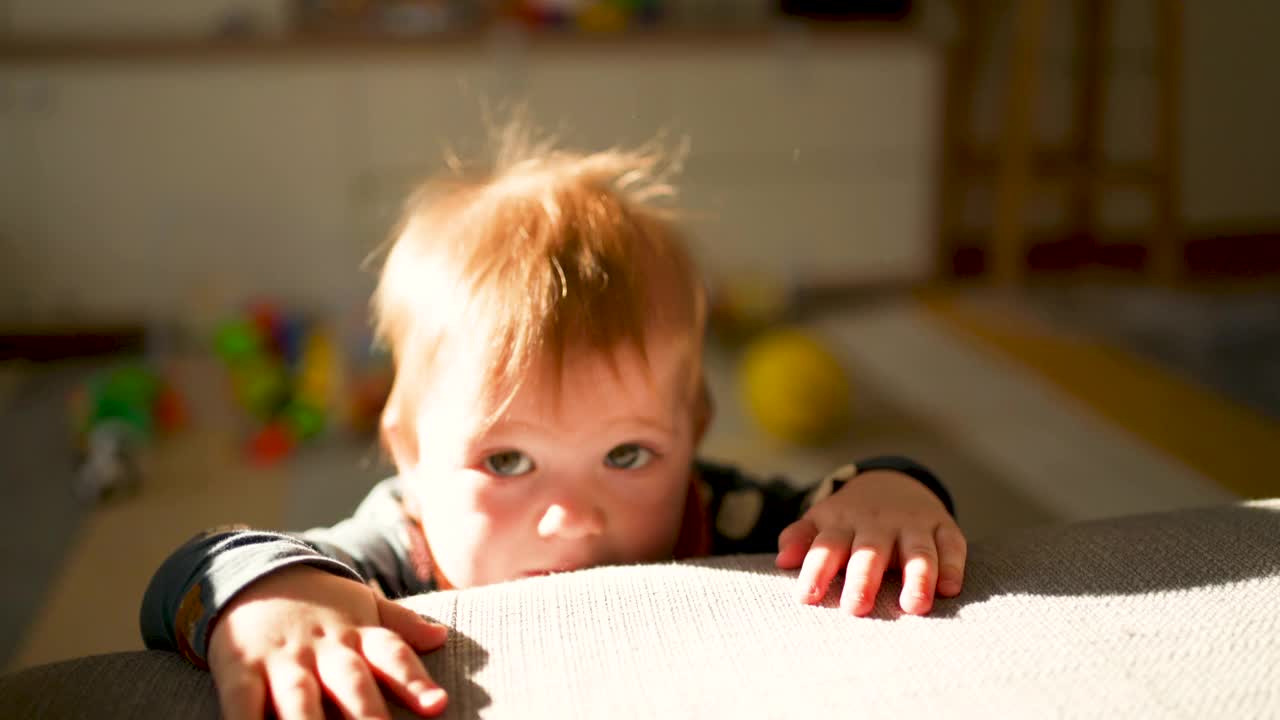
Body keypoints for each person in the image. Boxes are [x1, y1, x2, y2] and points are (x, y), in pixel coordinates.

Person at [141, 127, 967, 720]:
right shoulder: (391, 555)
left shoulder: (718, 514)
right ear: (408, 450)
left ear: (695, 428)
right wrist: (271, 598)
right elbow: (193, 572)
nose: (572, 518)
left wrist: (894, 488)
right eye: (505, 462)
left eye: (628, 452)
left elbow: (841, 505)